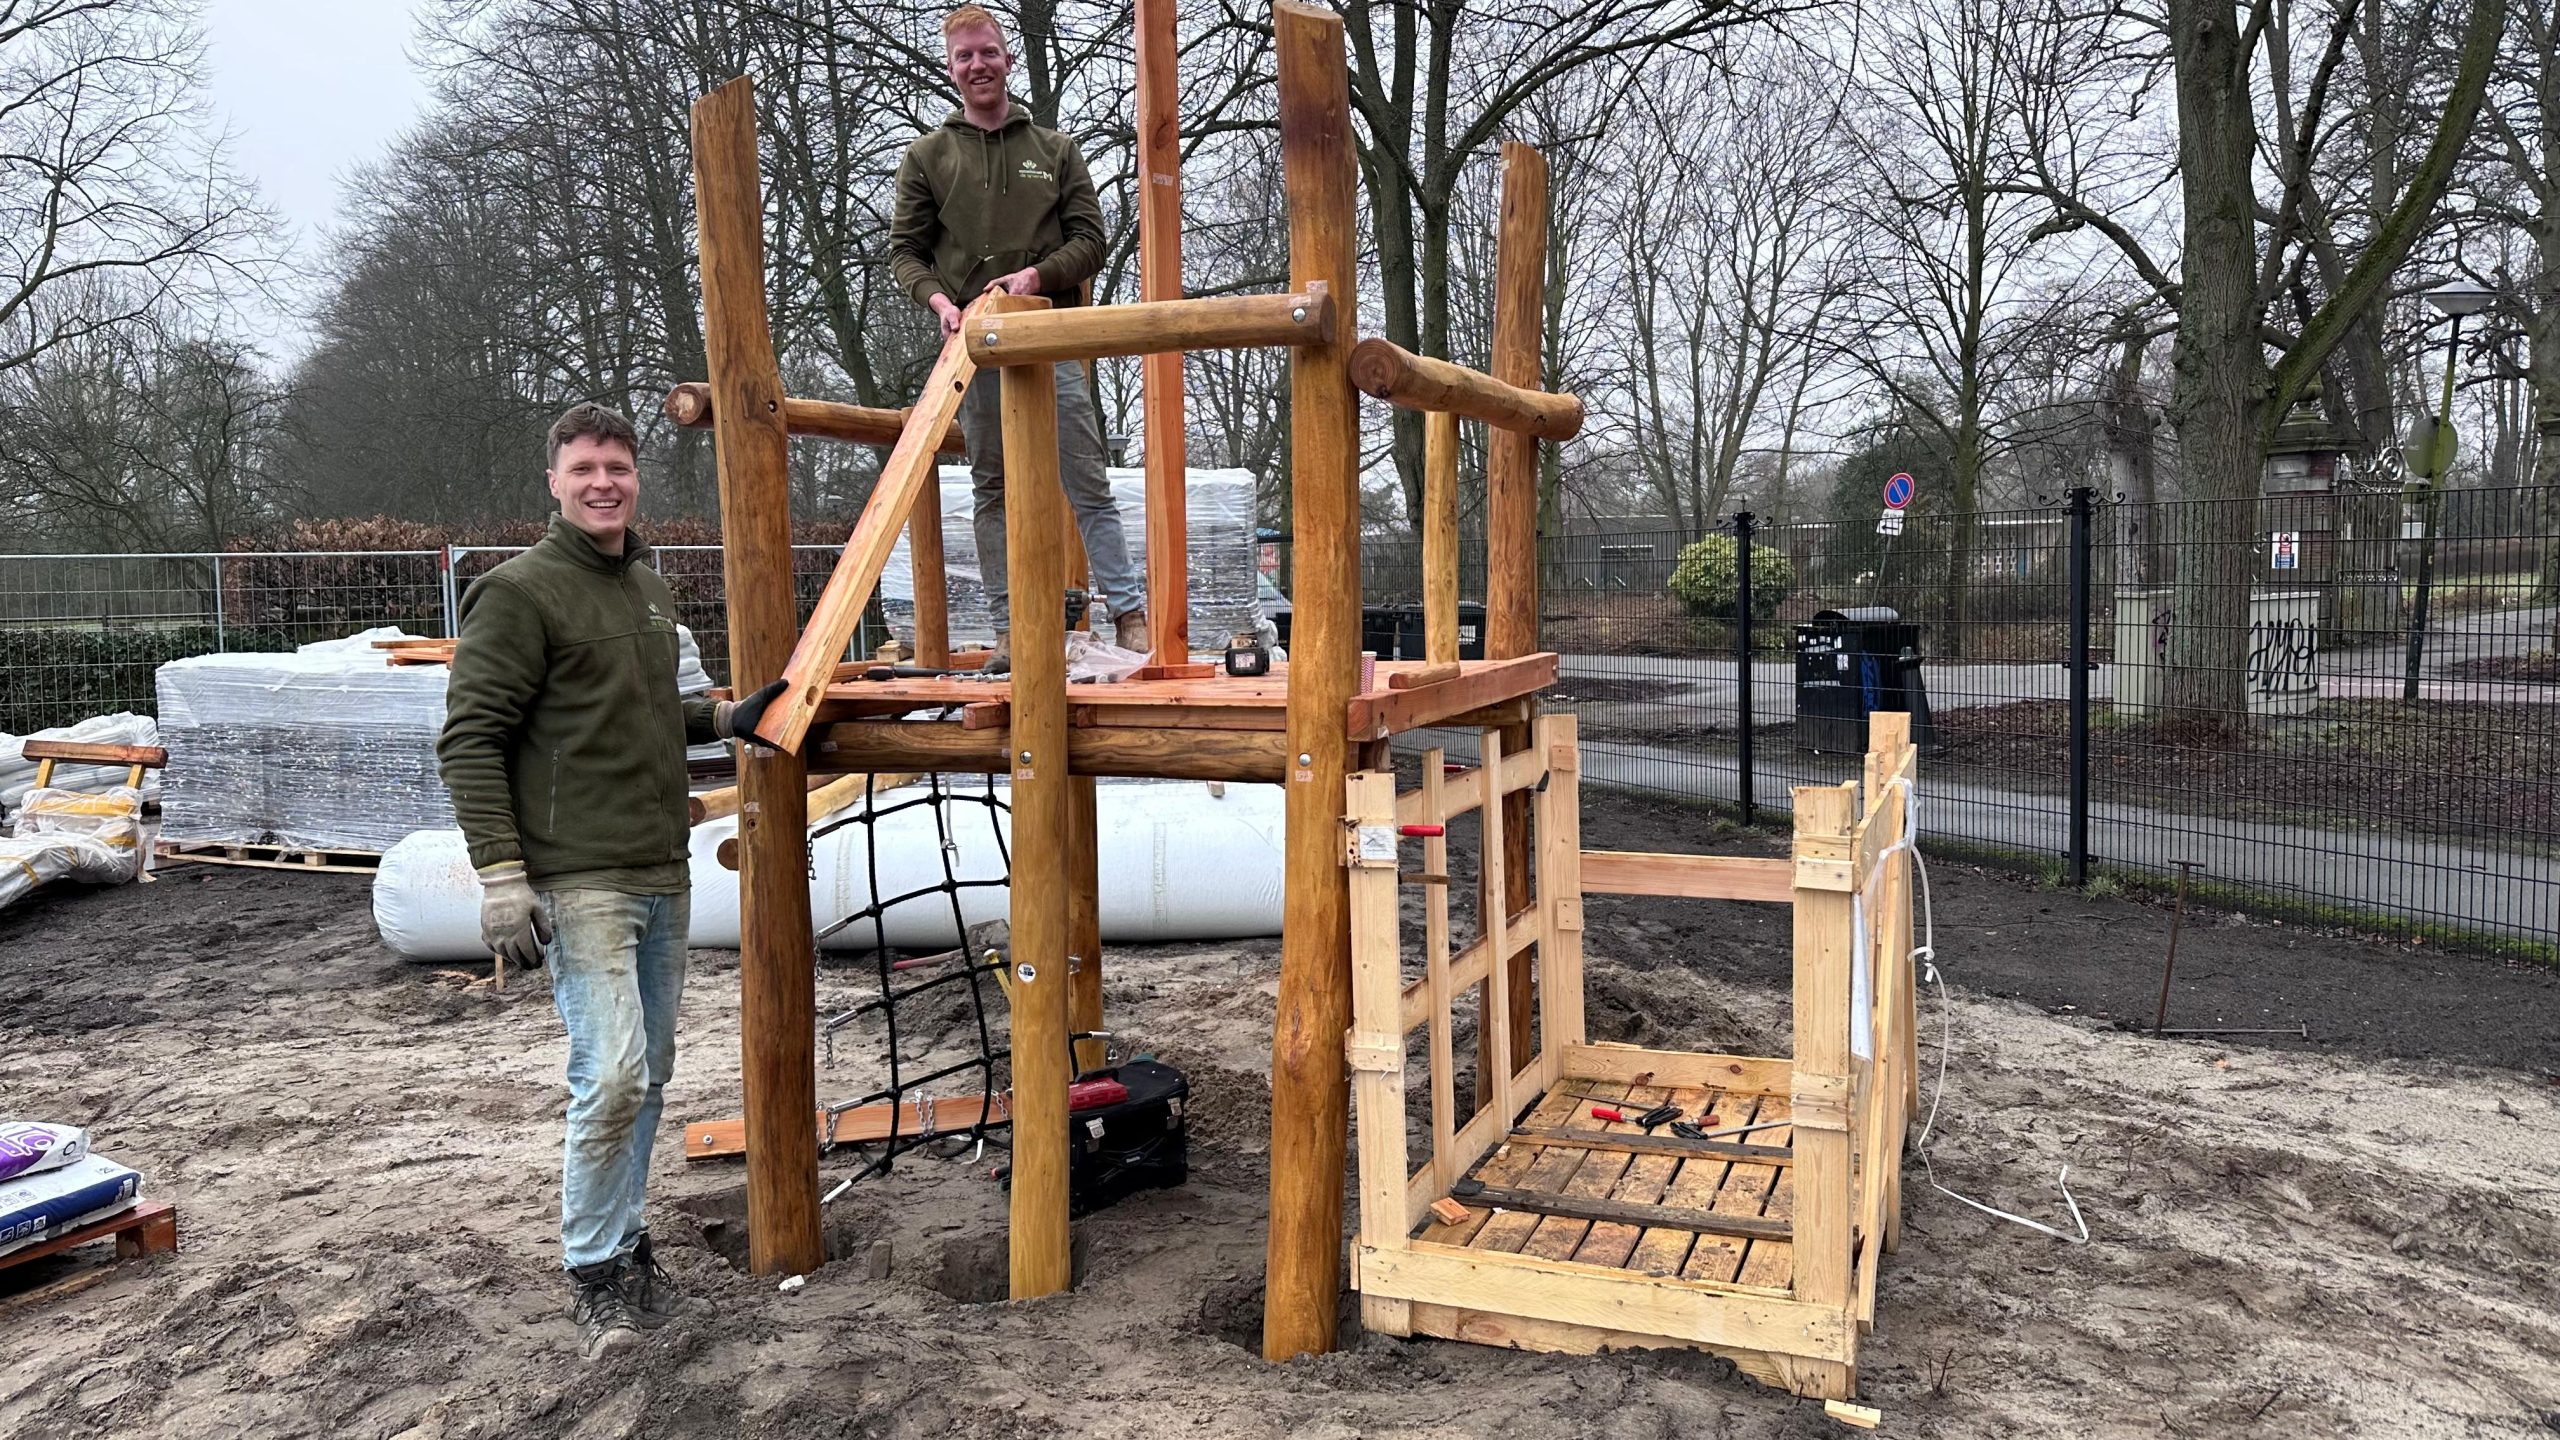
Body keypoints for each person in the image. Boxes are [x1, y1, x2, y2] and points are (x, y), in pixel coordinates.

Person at [436, 402, 784, 1361]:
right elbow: (470, 740)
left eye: (618, 467)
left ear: (636, 478)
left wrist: (723, 720)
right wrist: (503, 875)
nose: (603, 483)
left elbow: (650, 716)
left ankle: (629, 1249)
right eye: (584, 468)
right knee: (613, 1073)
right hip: (578, 874)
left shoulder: (650, 590)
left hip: (658, 868)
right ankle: (594, 1275)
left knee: (652, 1074)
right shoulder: (519, 592)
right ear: (553, 480)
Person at [888, 3, 1148, 668]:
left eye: (987, 52)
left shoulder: (1053, 150)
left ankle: (1128, 614)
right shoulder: (928, 156)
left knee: (1086, 479)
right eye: (964, 57)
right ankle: (1008, 631)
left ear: (1006, 58)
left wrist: (1035, 276)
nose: (977, 65)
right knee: (991, 487)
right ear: (951, 70)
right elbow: (905, 254)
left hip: (1049, 338)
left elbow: (1092, 239)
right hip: (974, 346)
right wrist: (940, 301)